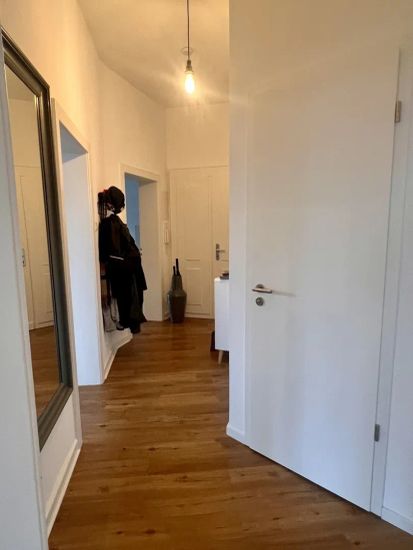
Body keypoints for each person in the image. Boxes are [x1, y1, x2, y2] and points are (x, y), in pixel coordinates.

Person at [98, 186, 147, 334]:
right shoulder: (118, 224)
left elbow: (105, 254)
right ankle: (128, 320)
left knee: (127, 299)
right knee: (131, 298)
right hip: (130, 268)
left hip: (124, 270)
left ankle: (125, 320)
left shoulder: (109, 225)